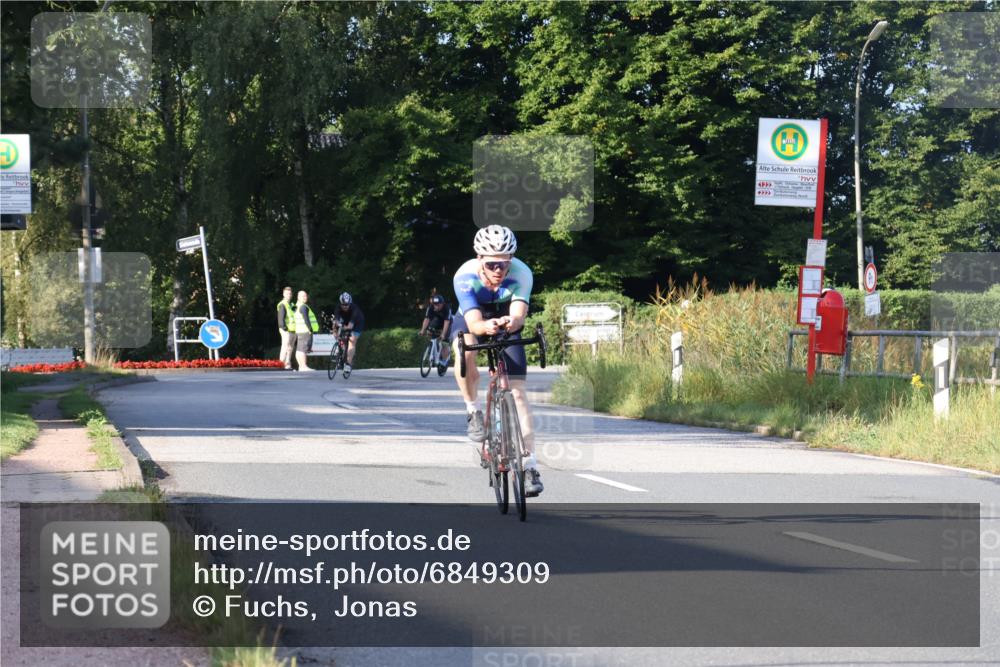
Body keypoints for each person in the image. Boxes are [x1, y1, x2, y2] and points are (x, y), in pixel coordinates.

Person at [450, 225, 542, 496]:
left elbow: (519, 315)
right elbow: (475, 324)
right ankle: (473, 411)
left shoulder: (522, 273)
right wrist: (485, 327)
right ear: (479, 259)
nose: (499, 270)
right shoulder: (464, 277)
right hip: (472, 316)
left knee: (518, 393)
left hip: (504, 318)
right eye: (492, 264)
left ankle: (529, 466)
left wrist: (510, 322)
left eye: (505, 263)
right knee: (465, 351)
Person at [333, 292, 365, 378]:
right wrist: (335, 331)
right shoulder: (338, 308)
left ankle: (348, 364)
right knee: (339, 332)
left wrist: (343, 327)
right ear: (340, 303)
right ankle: (341, 351)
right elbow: (336, 321)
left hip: (357, 323)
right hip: (345, 321)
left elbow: (350, 326)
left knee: (352, 340)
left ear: (350, 303)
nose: (345, 306)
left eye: (347, 305)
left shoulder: (354, 308)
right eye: (343, 305)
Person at [418, 294, 453, 371]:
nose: (436, 306)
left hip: (447, 323)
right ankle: (432, 347)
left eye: (438, 305)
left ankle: (444, 361)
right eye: (434, 304)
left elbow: (446, 322)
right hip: (437, 321)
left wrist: (443, 334)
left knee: (444, 342)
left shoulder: (447, 308)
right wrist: (422, 330)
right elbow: (427, 319)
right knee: (429, 331)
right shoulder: (430, 307)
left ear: (442, 304)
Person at [293, 290, 320, 372]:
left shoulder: (296, 306)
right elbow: (306, 318)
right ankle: (304, 366)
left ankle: (301, 366)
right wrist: (310, 329)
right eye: (303, 296)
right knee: (303, 349)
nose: (305, 297)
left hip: (299, 330)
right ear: (298, 297)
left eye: (305, 296)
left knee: (299, 349)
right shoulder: (303, 307)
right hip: (305, 330)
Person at [276, 286, 296, 370]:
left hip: (293, 330)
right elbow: (281, 318)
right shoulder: (282, 304)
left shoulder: (290, 305)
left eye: (290, 294)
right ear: (284, 294)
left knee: (290, 348)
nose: (289, 295)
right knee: (285, 346)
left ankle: (287, 364)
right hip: (286, 330)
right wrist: (284, 328)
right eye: (287, 293)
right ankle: (281, 364)